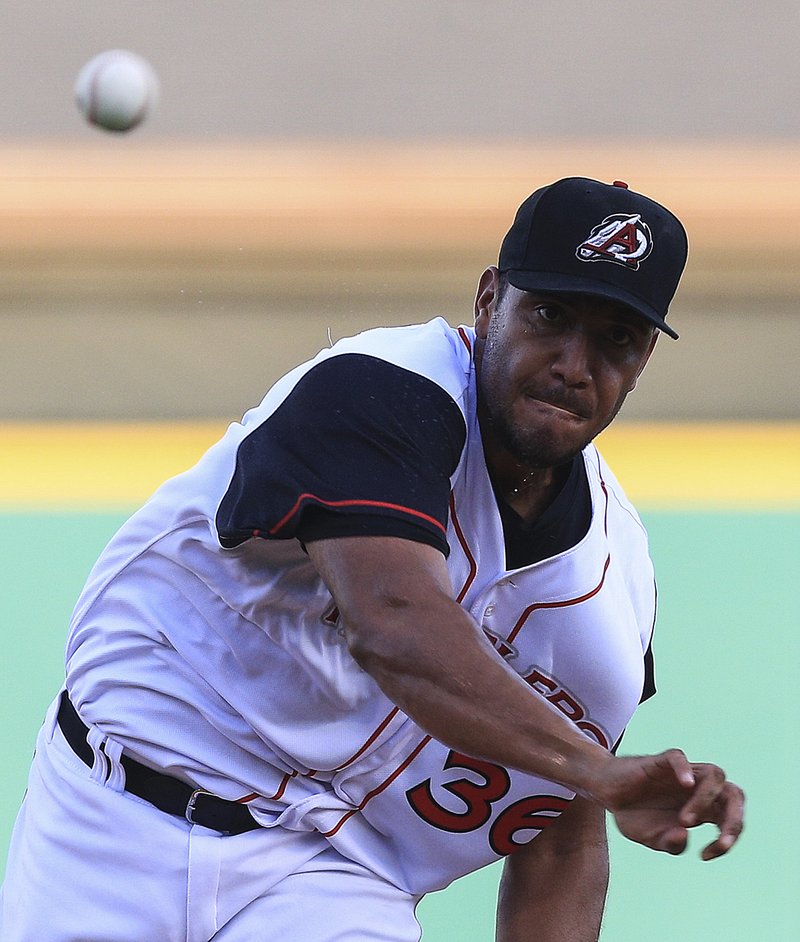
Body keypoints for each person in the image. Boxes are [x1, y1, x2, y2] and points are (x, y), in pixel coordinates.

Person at [0, 177, 744, 942]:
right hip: (110, 820)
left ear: (646, 356)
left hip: (328, 879)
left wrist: (592, 776)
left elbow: (561, 840)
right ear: (490, 301)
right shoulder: (379, 391)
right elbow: (395, 626)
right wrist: (597, 769)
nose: (573, 364)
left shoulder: (610, 597)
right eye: (551, 315)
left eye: (616, 338)